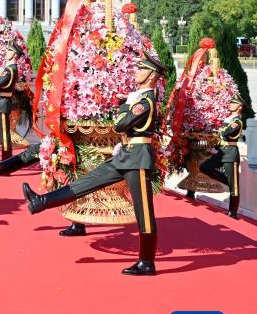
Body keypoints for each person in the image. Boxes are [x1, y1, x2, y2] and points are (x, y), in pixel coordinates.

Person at [22, 54, 167, 275]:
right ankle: (41, 202)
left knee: (144, 212)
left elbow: (120, 125)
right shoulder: (138, 99)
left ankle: (146, 262)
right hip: (126, 154)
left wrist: (124, 105)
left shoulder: (144, 102)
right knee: (88, 182)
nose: (136, 72)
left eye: (141, 69)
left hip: (137, 158)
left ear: (152, 75)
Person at [199, 95, 247, 219]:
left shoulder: (237, 121)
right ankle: (227, 181)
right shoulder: (229, 119)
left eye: (234, 103)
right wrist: (215, 146)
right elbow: (222, 135)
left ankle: (233, 212)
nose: (230, 104)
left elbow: (226, 133)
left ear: (240, 107)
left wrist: (220, 131)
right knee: (204, 167)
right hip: (221, 152)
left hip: (231, 153)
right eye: (230, 102)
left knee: (234, 186)